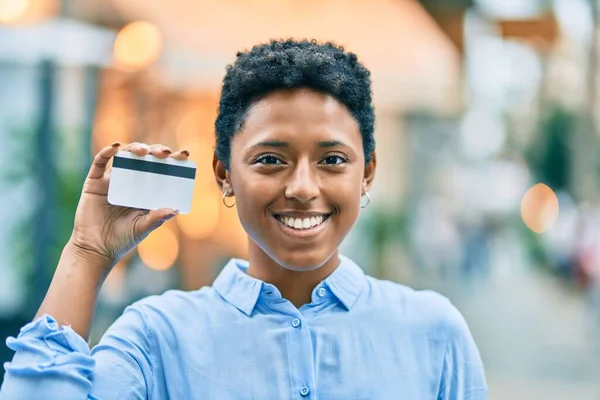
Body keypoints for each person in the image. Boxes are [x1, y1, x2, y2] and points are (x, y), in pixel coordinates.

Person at [1, 39, 488, 399]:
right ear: (224, 174)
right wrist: (86, 254)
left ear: (368, 173)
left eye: (333, 160)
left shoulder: (434, 333)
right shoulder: (157, 337)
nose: (302, 187)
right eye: (270, 159)